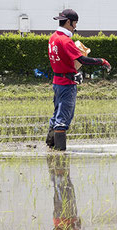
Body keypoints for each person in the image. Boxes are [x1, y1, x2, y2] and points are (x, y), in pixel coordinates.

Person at [46, 9, 111, 151]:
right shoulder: (65, 40)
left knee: (57, 114)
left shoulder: (53, 38)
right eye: (75, 23)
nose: (75, 26)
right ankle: (59, 155)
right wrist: (102, 61)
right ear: (69, 22)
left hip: (57, 82)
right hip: (66, 84)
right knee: (63, 119)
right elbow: (82, 59)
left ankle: (49, 146)